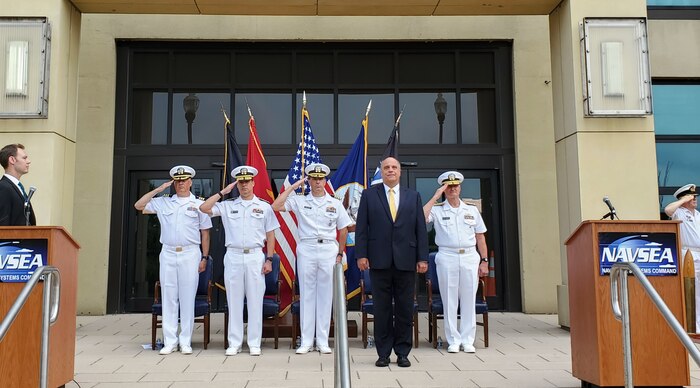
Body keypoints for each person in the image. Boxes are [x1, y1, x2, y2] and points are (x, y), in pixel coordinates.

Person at [355, 156, 428, 368]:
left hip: (406, 261)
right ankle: (383, 353)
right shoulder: (369, 195)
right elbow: (361, 228)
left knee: (405, 309)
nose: (390, 170)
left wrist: (422, 257)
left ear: (399, 172)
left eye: (394, 167)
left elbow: (420, 229)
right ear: (382, 171)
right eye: (386, 167)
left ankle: (403, 352)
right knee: (382, 310)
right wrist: (361, 255)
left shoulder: (413, 196)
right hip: (379, 262)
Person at [199, 166, 280, 356]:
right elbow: (204, 208)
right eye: (241, 182)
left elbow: (271, 235)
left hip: (254, 257)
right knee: (233, 301)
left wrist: (269, 259)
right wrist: (222, 192)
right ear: (237, 184)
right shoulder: (228, 205)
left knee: (255, 301)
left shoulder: (264, 206)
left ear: (253, 183)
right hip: (234, 256)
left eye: (247, 181)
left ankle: (254, 343)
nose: (244, 185)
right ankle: (234, 343)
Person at [272, 163, 351, 355]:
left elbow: (343, 229)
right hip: (307, 247)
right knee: (307, 294)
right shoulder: (299, 201)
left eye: (320, 178)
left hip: (328, 250)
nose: (317, 182)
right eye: (313, 178)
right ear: (309, 180)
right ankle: (306, 340)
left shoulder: (335, 203)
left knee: (325, 295)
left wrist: (340, 253)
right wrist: (292, 186)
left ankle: (323, 340)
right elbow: (276, 205)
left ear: (325, 180)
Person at [133, 165, 212, 355]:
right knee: (168, 297)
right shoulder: (163, 202)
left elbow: (205, 233)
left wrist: (204, 257)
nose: (181, 183)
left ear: (191, 182)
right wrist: (158, 189)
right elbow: (139, 205)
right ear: (174, 183)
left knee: (187, 298)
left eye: (184, 180)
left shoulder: (199, 204)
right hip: (168, 253)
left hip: (190, 253)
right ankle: (170, 341)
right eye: (178, 181)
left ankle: (185, 341)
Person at [423, 171, 488, 353]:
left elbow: (480, 237)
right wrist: (435, 196)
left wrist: (484, 261)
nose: (453, 189)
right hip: (447, 256)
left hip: (469, 256)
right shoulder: (436, 209)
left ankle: (468, 340)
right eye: (448, 186)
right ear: (444, 189)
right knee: (449, 299)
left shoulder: (471, 210)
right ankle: (452, 339)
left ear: (460, 187)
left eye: (455, 186)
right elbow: (420, 218)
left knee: (469, 299)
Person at [664, 183, 700, 330]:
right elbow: (667, 210)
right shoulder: (679, 212)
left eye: (695, 197)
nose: (695, 199)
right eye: (692, 197)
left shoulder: (697, 214)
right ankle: (695, 326)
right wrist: (682, 201)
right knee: (693, 291)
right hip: (688, 254)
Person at [0, 143, 36, 226]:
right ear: (12, 160)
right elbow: (2, 222)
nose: (28, 161)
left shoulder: (16, 187)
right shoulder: (3, 187)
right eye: (24, 158)